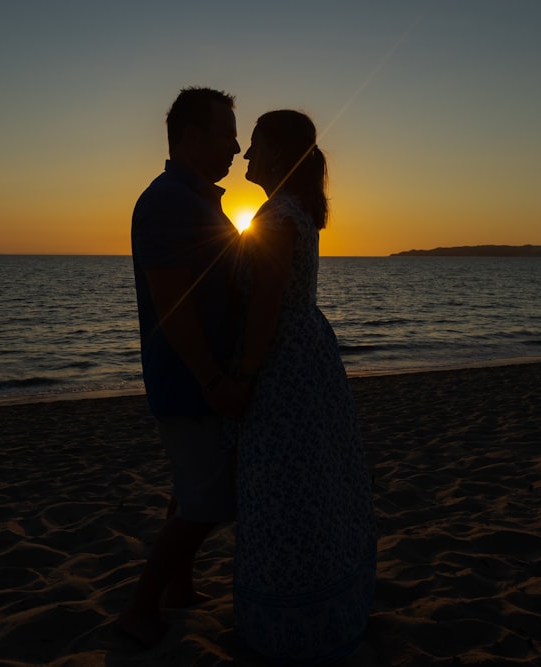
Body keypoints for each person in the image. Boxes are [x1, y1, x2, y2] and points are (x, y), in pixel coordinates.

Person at [232, 110, 376, 664]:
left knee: (283, 489)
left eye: (254, 146)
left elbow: (265, 307)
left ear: (274, 154)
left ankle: (290, 625)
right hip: (308, 358)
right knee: (312, 482)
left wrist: (243, 376)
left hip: (284, 367)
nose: (245, 155)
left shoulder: (274, 217)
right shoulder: (294, 211)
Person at [117, 87, 246, 648]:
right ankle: (140, 608)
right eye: (226, 133)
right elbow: (173, 305)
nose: (237, 147)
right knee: (206, 500)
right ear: (190, 136)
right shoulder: (168, 201)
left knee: (192, 488)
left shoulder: (197, 199)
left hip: (199, 377)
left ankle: (179, 588)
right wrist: (213, 380)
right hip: (188, 379)